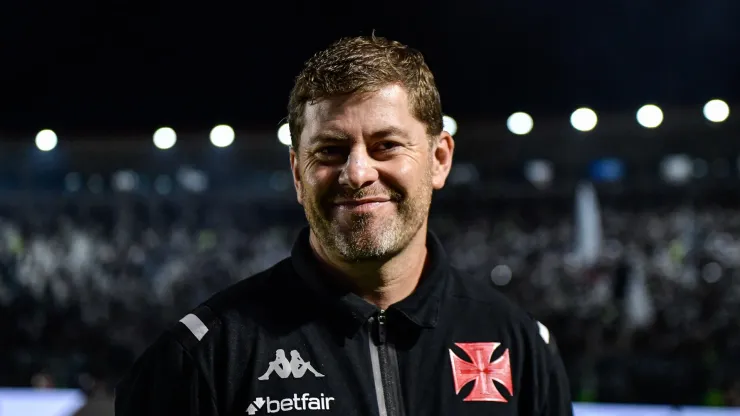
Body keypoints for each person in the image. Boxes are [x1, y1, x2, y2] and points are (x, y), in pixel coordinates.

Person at [115, 34, 573, 416]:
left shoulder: (519, 346)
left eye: (386, 145)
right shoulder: (203, 358)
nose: (357, 173)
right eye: (330, 151)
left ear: (439, 159)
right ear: (297, 174)